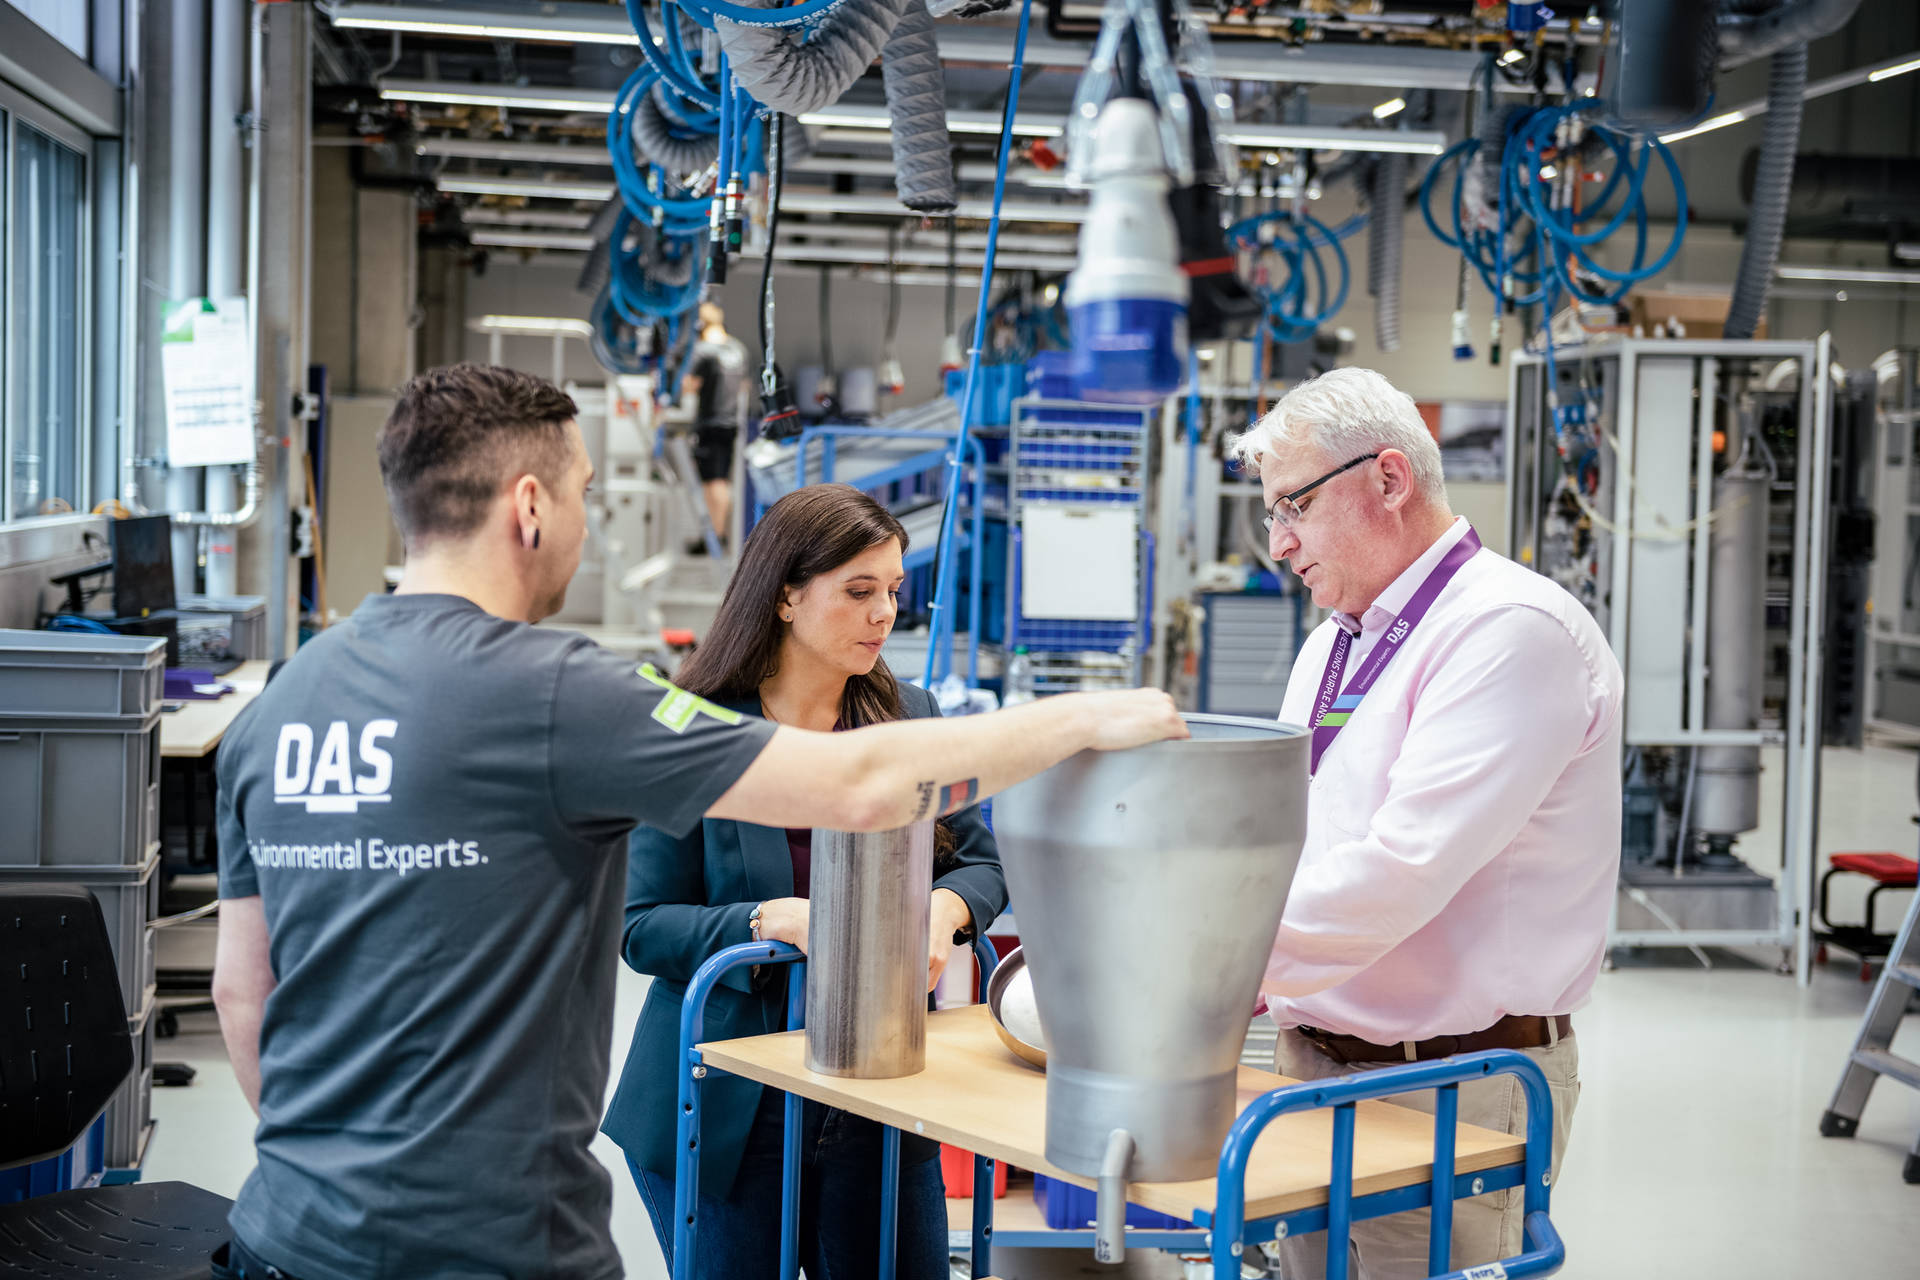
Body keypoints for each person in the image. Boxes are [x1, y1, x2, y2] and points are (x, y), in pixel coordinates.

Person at [209, 363, 1185, 1280]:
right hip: (487, 1244)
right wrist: (1087, 718)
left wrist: (334, 1196)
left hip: (285, 1233)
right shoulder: (565, 695)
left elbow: (241, 995)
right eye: (586, 491)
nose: (590, 521)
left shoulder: (274, 710)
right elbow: (855, 785)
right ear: (531, 505)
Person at [1228, 368, 1623, 1280]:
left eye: (1292, 506)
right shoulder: (1341, 636)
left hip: (1454, 1085)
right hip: (1316, 1067)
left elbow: (1399, 871)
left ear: (1389, 480)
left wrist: (1201, 965)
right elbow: (1309, 831)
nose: (1279, 544)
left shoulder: (1510, 631)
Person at [603, 484, 1003, 1279]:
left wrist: (942, 910)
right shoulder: (692, 726)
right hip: (726, 1107)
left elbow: (983, 863)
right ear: (785, 595)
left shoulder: (909, 717)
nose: (884, 614)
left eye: (893, 590)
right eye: (859, 592)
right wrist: (770, 921)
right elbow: (642, 924)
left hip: (878, 1097)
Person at [682, 301, 749, 549]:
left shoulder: (703, 351)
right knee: (723, 479)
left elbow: (689, 386)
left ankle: (715, 537)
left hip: (710, 422)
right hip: (730, 423)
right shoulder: (737, 349)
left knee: (713, 482)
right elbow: (744, 386)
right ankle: (718, 532)